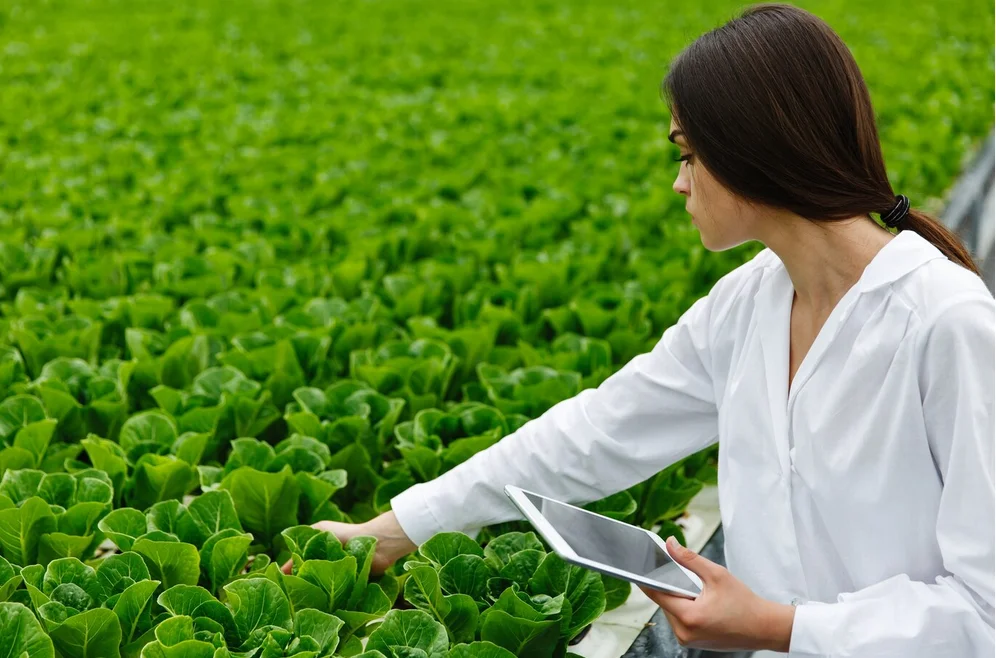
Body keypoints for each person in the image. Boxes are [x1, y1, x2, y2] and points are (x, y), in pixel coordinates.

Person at [287, 3, 996, 655]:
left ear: (753, 147)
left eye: (688, 154)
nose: (679, 184)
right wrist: (387, 534)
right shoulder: (747, 305)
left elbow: (985, 614)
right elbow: (593, 433)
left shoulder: (945, 323)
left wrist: (775, 625)